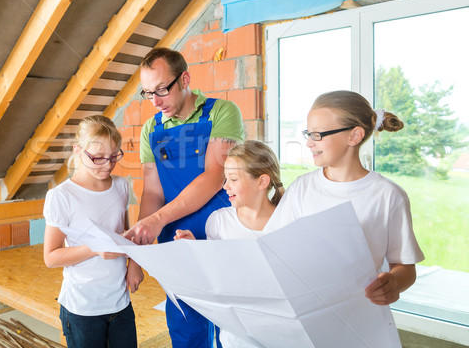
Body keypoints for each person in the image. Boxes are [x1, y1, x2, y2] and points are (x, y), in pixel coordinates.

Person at [123, 47, 245, 347]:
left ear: (185, 79)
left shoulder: (221, 112)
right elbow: (152, 191)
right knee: (184, 324)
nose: (155, 101)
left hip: (218, 235)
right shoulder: (152, 128)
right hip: (173, 242)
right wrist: (137, 257)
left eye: (162, 89)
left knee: (229, 327)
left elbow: (215, 176)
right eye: (148, 93)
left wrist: (157, 219)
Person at [271, 90, 424, 306]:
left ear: (354, 136)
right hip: (307, 308)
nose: (309, 143)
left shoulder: (388, 195)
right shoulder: (301, 188)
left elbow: (406, 268)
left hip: (359, 315)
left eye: (318, 135)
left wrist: (393, 284)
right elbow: (274, 248)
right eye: (309, 133)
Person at [174, 140, 285, 348]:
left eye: (233, 179)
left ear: (261, 182)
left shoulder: (287, 221)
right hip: (236, 339)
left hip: (281, 335)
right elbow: (214, 274)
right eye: (226, 178)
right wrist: (195, 248)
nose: (225, 186)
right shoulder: (219, 221)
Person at [42, 115, 140, 348]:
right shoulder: (61, 196)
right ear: (78, 150)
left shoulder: (121, 186)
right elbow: (51, 257)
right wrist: (95, 249)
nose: (107, 165)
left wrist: (135, 264)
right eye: (97, 158)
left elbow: (125, 234)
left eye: (113, 157)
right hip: (82, 309)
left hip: (119, 303)